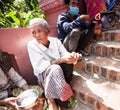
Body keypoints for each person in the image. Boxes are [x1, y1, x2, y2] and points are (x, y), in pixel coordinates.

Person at [27, 18, 82, 110]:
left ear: (47, 31)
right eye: (33, 32)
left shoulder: (55, 41)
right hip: (44, 74)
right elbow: (40, 67)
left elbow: (65, 54)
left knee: (67, 64)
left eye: (39, 31)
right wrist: (60, 60)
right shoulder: (32, 45)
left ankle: (50, 98)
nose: (36, 35)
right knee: (55, 68)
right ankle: (66, 98)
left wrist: (73, 56)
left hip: (58, 71)